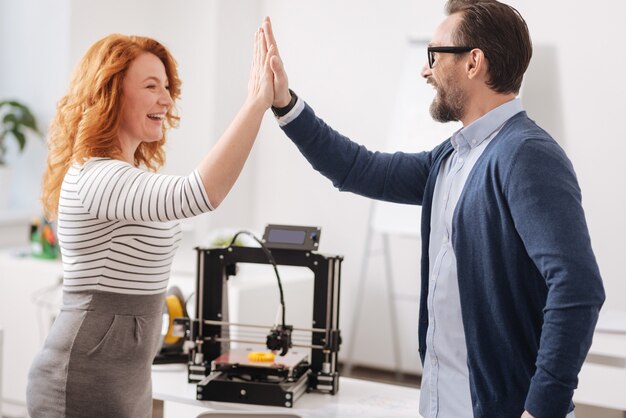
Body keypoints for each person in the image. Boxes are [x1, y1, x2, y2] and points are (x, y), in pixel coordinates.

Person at [261, 0, 605, 416]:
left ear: (473, 62)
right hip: (446, 402)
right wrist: (284, 104)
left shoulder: (526, 154)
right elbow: (360, 169)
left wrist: (542, 408)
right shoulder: (452, 156)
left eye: (435, 56)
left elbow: (577, 287)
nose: (426, 70)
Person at [27, 27, 276, 418]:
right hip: (79, 379)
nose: (166, 99)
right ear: (110, 95)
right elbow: (201, 193)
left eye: (166, 86)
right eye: (150, 86)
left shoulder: (127, 174)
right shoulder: (97, 177)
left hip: (127, 379)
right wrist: (255, 103)